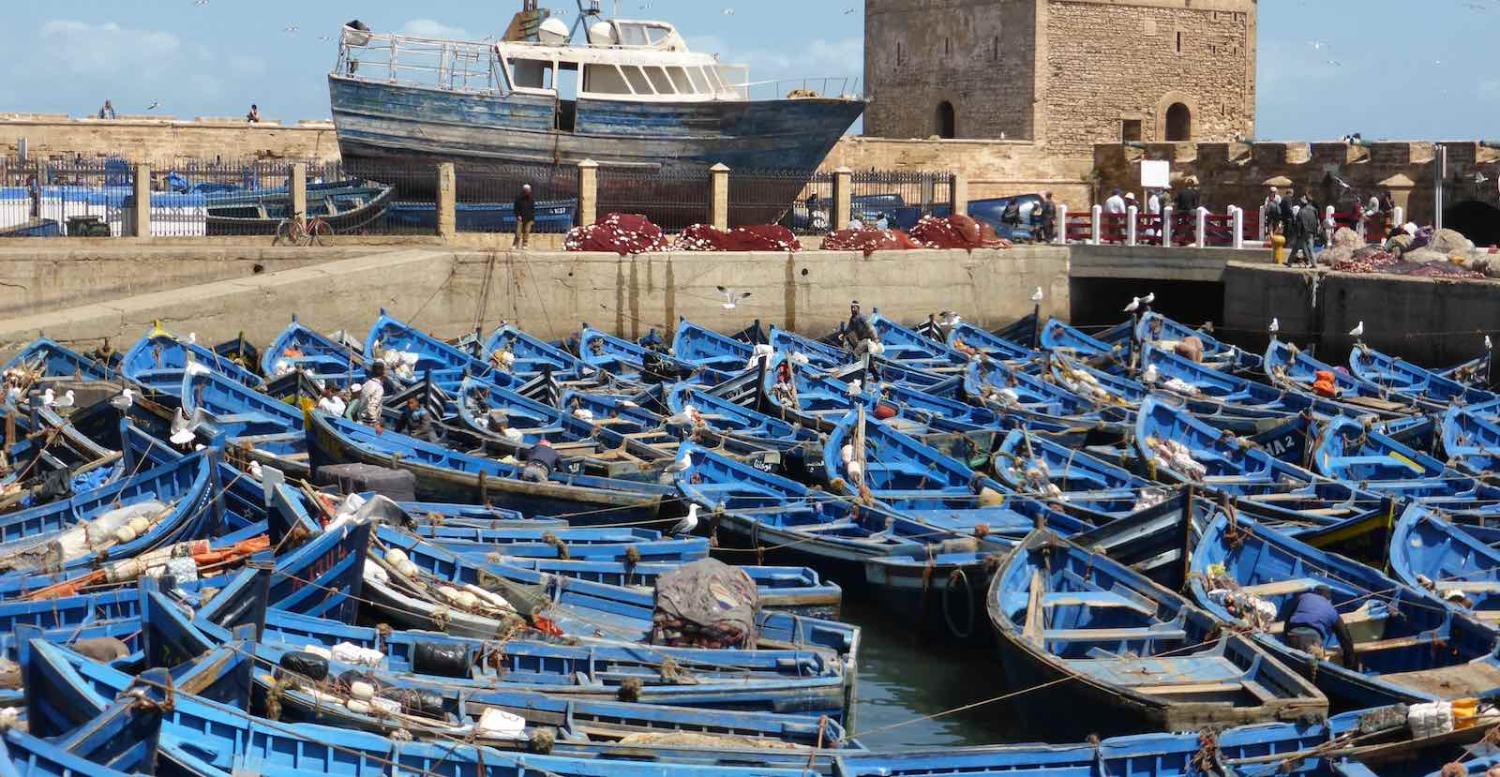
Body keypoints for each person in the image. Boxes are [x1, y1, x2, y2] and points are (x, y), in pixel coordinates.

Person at [1278, 585, 1357, 668]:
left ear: (1314, 592)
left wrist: (1285, 636)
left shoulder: (1303, 597)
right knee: (1312, 666)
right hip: (1312, 639)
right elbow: (1345, 639)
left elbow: (1288, 619)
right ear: (1329, 599)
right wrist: (1349, 664)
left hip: (1293, 634)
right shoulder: (1332, 611)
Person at [1290, 195, 1320, 265]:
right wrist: (1315, 232)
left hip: (1303, 232)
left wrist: (1298, 233)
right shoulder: (1314, 210)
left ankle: (1289, 262)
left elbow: (1298, 224)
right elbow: (1316, 221)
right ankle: (1314, 263)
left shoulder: (1301, 212)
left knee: (1296, 248)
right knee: (1310, 248)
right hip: (1311, 232)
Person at [360, 362, 387, 432]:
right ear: (383, 373)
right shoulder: (379, 388)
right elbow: (371, 407)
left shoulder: (366, 384)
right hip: (369, 424)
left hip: (361, 420)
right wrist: (376, 424)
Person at [513, 184, 536, 249]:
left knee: (527, 232)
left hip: (529, 218)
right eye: (527, 190)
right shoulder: (519, 199)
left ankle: (524, 244)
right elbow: (516, 208)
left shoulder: (531, 199)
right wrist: (518, 215)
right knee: (518, 232)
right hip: (521, 218)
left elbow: (533, 209)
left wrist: (532, 219)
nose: (528, 192)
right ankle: (515, 244)